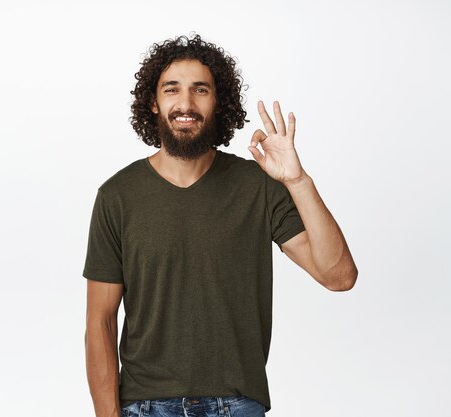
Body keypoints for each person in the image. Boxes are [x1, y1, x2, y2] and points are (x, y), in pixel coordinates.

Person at [82, 34, 357, 417]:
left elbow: (338, 276)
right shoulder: (117, 196)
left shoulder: (257, 185)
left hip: (237, 404)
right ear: (154, 102)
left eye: (201, 90)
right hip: (144, 406)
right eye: (172, 89)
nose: (186, 104)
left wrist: (297, 182)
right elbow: (100, 322)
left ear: (219, 102)